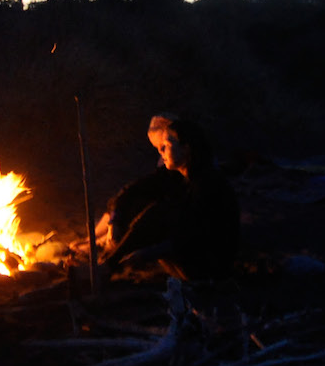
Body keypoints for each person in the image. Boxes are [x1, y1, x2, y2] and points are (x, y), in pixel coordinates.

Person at [94, 114, 239, 281]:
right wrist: (114, 219)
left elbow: (193, 236)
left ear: (186, 148)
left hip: (208, 266)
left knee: (160, 212)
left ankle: (110, 266)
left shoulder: (207, 185)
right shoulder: (177, 175)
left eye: (166, 145)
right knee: (148, 207)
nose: (161, 151)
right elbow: (133, 191)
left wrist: (146, 254)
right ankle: (112, 262)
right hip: (192, 253)